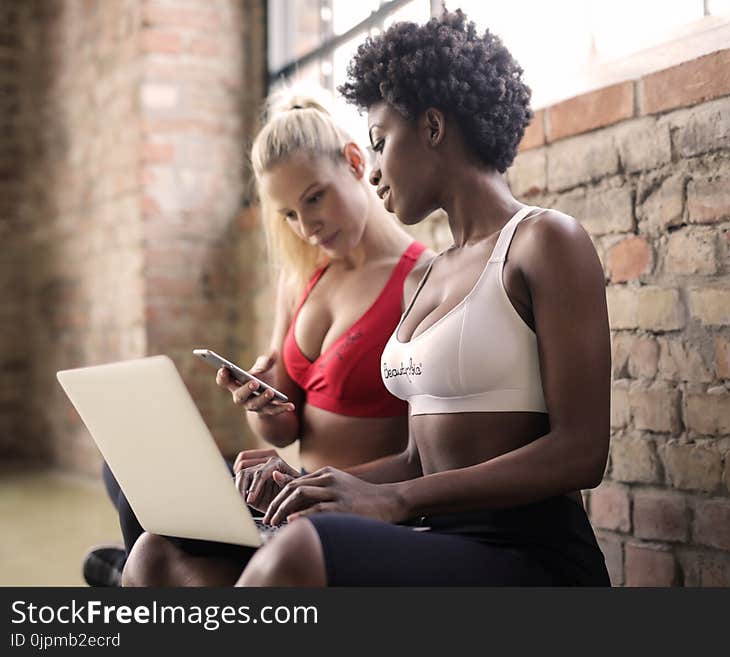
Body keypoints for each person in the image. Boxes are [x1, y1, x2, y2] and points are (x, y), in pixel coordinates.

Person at [122, 10, 611, 587]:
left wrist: (399, 500)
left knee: (299, 552)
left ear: (432, 127)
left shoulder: (545, 241)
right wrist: (310, 481)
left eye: (379, 143)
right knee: (157, 554)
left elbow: (582, 453)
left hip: (528, 550)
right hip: (435, 531)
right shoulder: (427, 279)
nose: (374, 170)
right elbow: (417, 458)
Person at [83, 91, 430, 586]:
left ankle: (129, 575)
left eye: (314, 198)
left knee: (155, 546)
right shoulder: (302, 281)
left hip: (340, 508)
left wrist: (312, 485)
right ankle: (143, 569)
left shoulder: (421, 281)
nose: (306, 227)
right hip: (285, 496)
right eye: (289, 214)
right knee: (127, 472)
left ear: (356, 161)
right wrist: (260, 403)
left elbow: (425, 456)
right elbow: (284, 430)